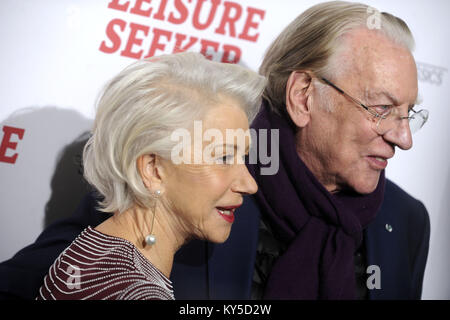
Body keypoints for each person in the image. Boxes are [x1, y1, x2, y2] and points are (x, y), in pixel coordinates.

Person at [0, 1, 430, 300]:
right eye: (381, 109)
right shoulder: (184, 179)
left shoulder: (407, 221)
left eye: (409, 113)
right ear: (303, 96)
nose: (403, 137)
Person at [33, 52, 265, 299]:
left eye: (243, 158)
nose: (249, 184)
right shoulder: (135, 292)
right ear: (154, 170)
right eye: (224, 158)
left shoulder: (88, 253)